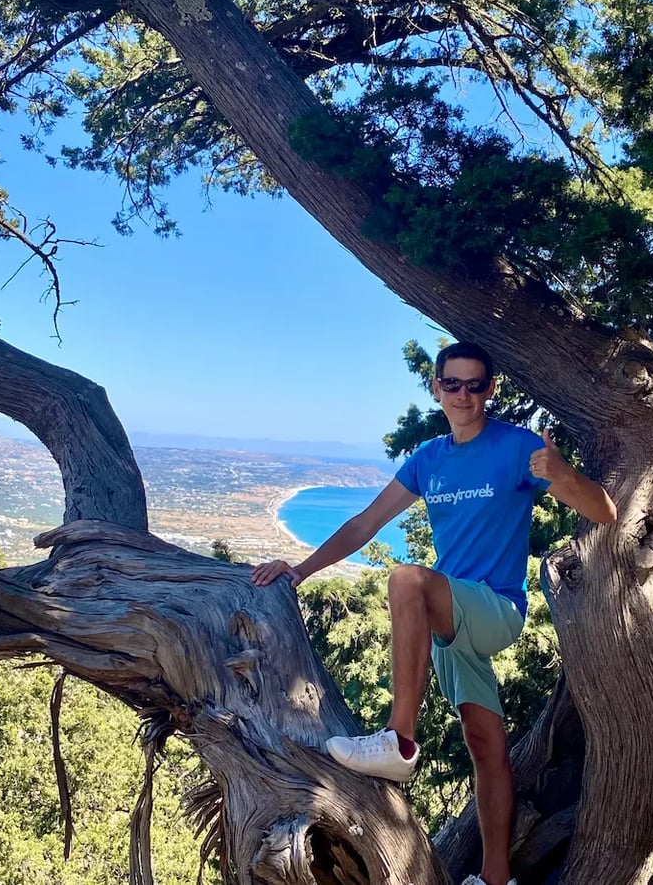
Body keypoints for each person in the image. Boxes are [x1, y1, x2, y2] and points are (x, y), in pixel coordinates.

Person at [252, 341, 616, 885]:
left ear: (490, 390)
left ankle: (399, 740)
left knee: (406, 579)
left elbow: (604, 511)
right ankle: (497, 878)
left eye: (475, 385)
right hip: (449, 624)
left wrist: (562, 475)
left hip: (493, 610)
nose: (464, 395)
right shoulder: (429, 458)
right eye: (453, 384)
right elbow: (364, 524)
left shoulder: (517, 448)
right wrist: (301, 571)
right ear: (436, 388)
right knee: (487, 747)